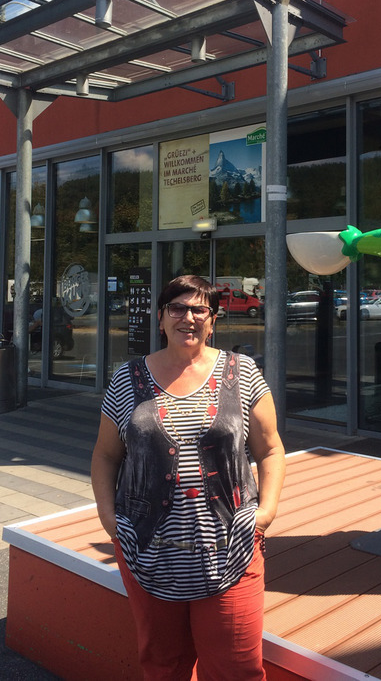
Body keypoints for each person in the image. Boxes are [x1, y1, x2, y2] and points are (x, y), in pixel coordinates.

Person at [91, 274, 285, 681]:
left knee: (237, 670)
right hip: (148, 551)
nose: (189, 317)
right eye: (177, 308)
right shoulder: (127, 379)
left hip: (231, 549)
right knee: (164, 666)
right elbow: (106, 456)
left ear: (212, 321)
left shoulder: (243, 372)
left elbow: (270, 450)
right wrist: (110, 522)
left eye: (200, 310)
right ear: (161, 318)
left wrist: (265, 514)